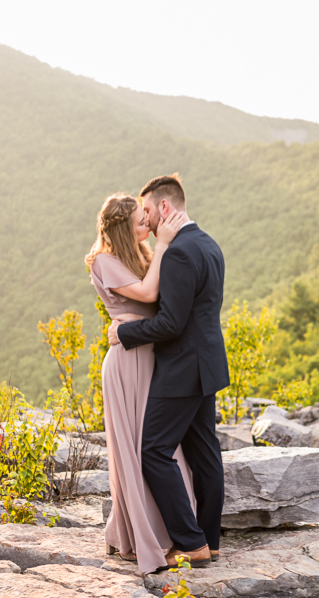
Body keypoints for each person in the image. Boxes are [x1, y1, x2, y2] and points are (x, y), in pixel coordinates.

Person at [108, 174, 230, 570]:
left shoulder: (177, 252)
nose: (144, 219)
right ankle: (208, 542)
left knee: (154, 451)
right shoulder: (209, 244)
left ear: (164, 207)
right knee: (205, 454)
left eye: (146, 210)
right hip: (207, 364)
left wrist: (125, 332)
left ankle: (190, 542)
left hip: (181, 369)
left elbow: (171, 324)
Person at [85, 191, 192, 574]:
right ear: (123, 228)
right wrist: (164, 244)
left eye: (146, 219)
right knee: (135, 450)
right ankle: (143, 537)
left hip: (152, 359)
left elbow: (162, 303)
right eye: (140, 222)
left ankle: (174, 530)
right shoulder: (105, 260)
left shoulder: (143, 255)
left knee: (160, 447)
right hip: (127, 364)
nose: (147, 224)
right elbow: (147, 294)